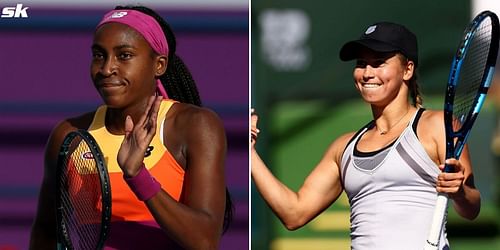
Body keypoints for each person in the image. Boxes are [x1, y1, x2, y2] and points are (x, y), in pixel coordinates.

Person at [251, 22, 481, 249]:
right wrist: (250, 154)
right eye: (362, 63)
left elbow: (471, 208)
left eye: (379, 62)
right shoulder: (343, 148)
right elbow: (294, 213)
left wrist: (460, 192)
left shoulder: (438, 126)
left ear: (407, 70)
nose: (367, 73)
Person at [29, 5, 232, 250]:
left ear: (159, 65)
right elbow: (45, 231)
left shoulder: (196, 126)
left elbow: (205, 241)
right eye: (99, 55)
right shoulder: (68, 135)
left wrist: (138, 176)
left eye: (124, 55)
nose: (106, 69)